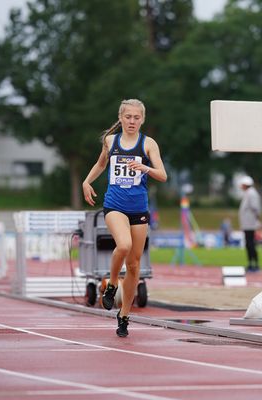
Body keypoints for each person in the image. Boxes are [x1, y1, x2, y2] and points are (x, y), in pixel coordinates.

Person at [82, 99, 167, 337]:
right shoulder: (111, 141)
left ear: (142, 120)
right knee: (124, 245)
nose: (132, 121)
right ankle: (111, 285)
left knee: (134, 265)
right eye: (128, 117)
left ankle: (124, 315)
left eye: (136, 118)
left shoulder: (148, 144)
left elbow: (163, 175)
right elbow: (101, 164)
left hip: (138, 208)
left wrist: (145, 169)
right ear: (121, 118)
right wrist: (87, 182)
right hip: (114, 205)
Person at [238, 175, 262, 272]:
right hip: (247, 223)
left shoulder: (251, 193)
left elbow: (255, 208)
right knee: (249, 244)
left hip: (250, 224)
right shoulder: (248, 193)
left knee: (251, 244)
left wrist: (256, 221)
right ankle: (251, 263)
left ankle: (254, 264)